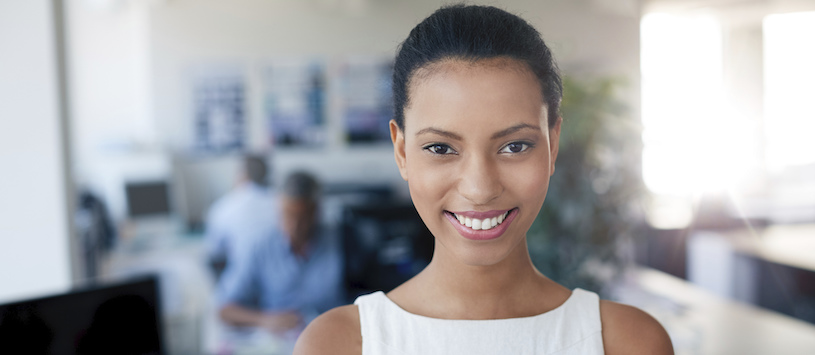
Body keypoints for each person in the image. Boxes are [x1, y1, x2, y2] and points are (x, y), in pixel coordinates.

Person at [295, 5, 673, 355]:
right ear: (402, 152)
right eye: (441, 148)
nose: (479, 189)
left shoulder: (627, 342)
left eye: (514, 146)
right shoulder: (340, 343)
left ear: (553, 146)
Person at [218, 171, 344, 334]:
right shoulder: (260, 246)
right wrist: (265, 320)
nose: (294, 226)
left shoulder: (340, 240)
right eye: (288, 215)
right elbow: (224, 310)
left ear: (316, 212)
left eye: (302, 217)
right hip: (279, 340)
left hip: (332, 335)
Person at [204, 154, 278, 274]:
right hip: (278, 279)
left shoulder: (222, 207)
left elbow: (214, 251)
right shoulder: (282, 203)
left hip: (242, 280)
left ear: (242, 174)